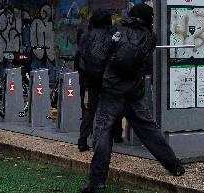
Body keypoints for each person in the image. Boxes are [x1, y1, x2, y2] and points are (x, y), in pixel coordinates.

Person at [81, 4, 185, 193]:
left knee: (103, 132)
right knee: (149, 131)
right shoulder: (150, 37)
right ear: (147, 18)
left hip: (111, 90)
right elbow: (143, 64)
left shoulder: (117, 30)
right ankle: (174, 165)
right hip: (133, 93)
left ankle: (97, 179)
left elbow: (102, 55)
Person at [77, 9, 123, 152]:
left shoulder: (86, 36)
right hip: (109, 78)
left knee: (91, 109)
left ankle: (82, 140)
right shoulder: (113, 35)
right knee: (114, 108)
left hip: (91, 78)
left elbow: (81, 58)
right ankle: (116, 135)